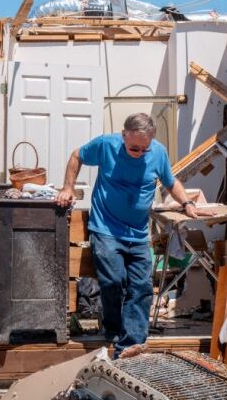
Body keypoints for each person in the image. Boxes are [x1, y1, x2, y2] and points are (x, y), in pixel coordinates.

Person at [56, 113, 206, 358]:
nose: (138, 153)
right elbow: (77, 155)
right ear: (124, 134)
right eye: (133, 148)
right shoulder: (106, 145)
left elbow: (170, 182)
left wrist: (187, 203)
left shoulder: (157, 152)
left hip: (137, 234)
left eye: (143, 150)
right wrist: (68, 187)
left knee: (142, 286)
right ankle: (113, 329)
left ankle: (132, 345)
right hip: (106, 229)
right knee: (114, 281)